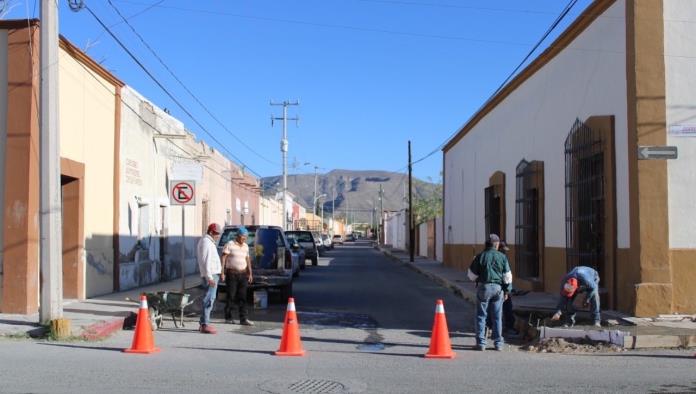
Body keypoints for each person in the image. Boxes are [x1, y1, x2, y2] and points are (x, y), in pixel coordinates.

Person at [468, 234, 513, 351]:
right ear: (497, 244)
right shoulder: (502, 257)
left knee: (481, 316)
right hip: (498, 289)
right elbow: (507, 277)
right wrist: (507, 291)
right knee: (497, 316)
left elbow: (471, 276)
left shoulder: (480, 256)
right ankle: (498, 343)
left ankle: (481, 343)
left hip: (484, 288)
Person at [221, 226, 254, 326]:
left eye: (245, 237)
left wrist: (250, 273)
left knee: (243, 297)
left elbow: (247, 260)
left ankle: (243, 318)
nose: (244, 239)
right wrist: (222, 272)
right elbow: (223, 258)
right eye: (243, 237)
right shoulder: (229, 244)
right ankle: (228, 317)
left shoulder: (246, 246)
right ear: (238, 236)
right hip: (232, 274)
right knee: (231, 296)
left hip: (243, 274)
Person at [197, 222, 223, 334]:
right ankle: (205, 324)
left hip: (212, 274)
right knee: (209, 299)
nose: (218, 236)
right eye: (216, 233)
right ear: (211, 232)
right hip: (211, 275)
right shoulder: (206, 242)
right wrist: (209, 277)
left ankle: (204, 322)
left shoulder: (209, 242)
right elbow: (206, 261)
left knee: (210, 299)